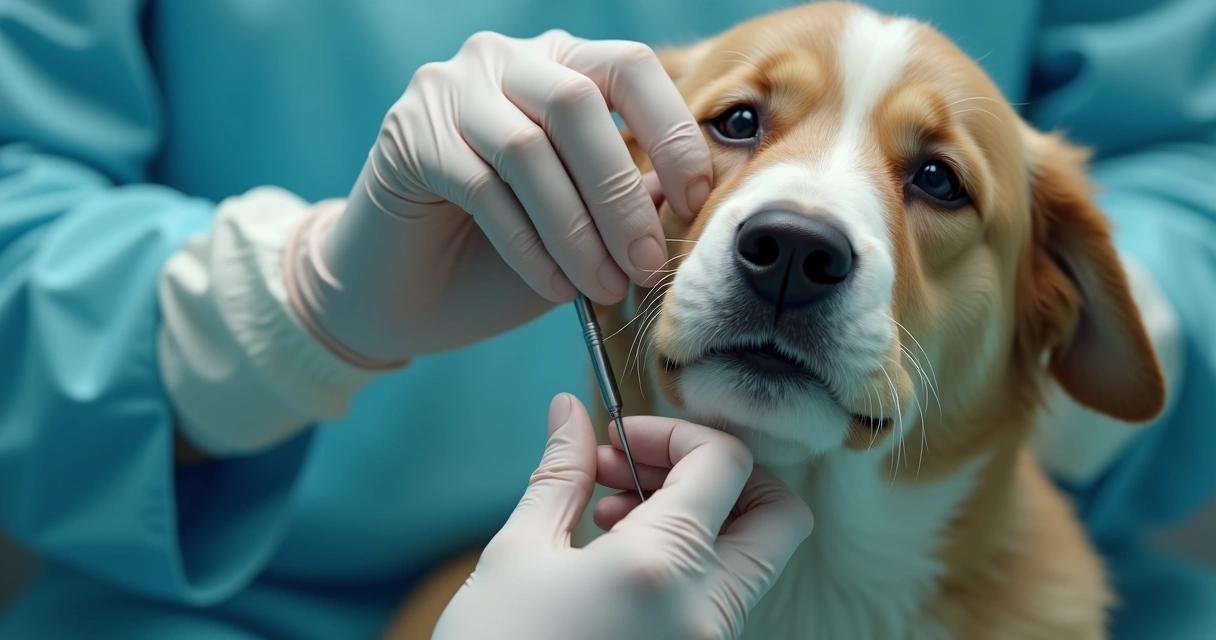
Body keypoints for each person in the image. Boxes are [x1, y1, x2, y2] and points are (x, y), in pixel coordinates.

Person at [0, 0, 1212, 638]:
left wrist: (1012, 355)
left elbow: (1189, 159)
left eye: (936, 180)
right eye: (738, 124)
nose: (799, 234)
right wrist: (292, 301)